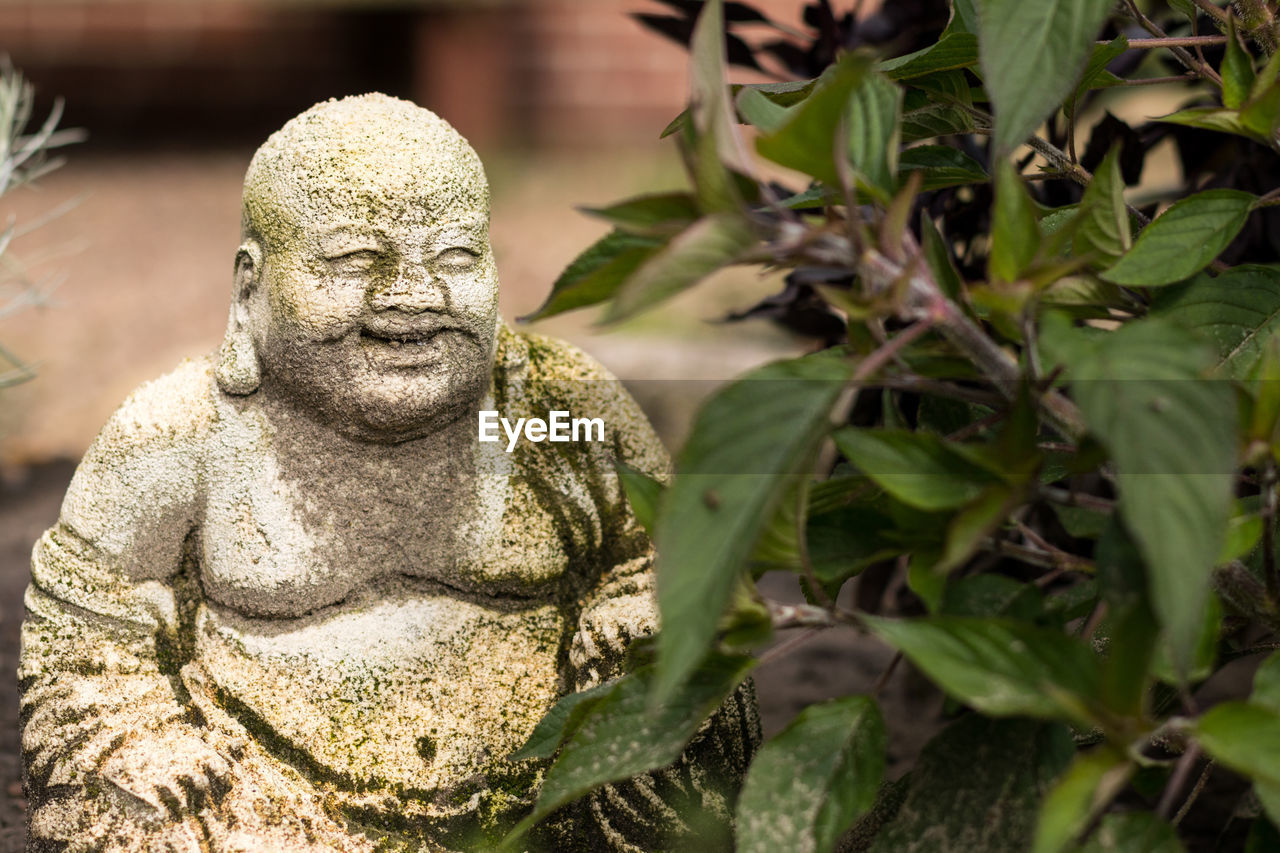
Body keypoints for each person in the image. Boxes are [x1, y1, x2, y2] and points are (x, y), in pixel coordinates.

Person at [20, 94, 757, 852]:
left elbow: (678, 549)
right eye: (353, 260)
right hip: (265, 813)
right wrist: (137, 736)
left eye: (456, 257)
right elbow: (84, 631)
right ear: (250, 287)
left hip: (550, 808)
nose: (413, 295)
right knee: (123, 814)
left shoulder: (547, 413)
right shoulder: (184, 436)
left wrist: (642, 611)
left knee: (690, 702)